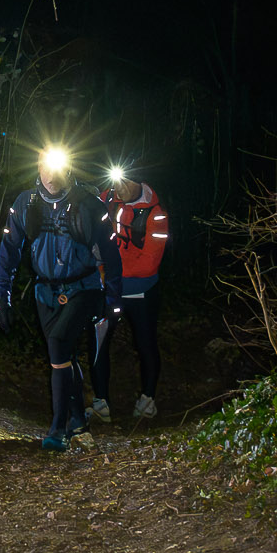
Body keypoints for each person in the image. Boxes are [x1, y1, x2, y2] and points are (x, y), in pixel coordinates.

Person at [0, 147, 122, 451]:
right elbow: (8, 252)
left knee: (59, 343)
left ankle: (58, 429)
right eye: (45, 167)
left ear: (68, 168)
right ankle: (78, 421)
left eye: (57, 167)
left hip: (84, 288)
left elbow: (111, 256)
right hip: (45, 291)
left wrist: (113, 299)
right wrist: (1, 298)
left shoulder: (90, 205)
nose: (51, 175)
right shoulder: (25, 203)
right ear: (37, 167)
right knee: (64, 356)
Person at [88, 165, 168, 420]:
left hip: (140, 292)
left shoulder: (156, 215)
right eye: (116, 181)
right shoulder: (107, 200)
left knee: (145, 343)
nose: (119, 188)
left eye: (125, 182)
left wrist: (110, 269)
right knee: (98, 342)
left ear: (139, 182)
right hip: (108, 288)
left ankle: (147, 400)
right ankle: (101, 403)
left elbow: (149, 264)